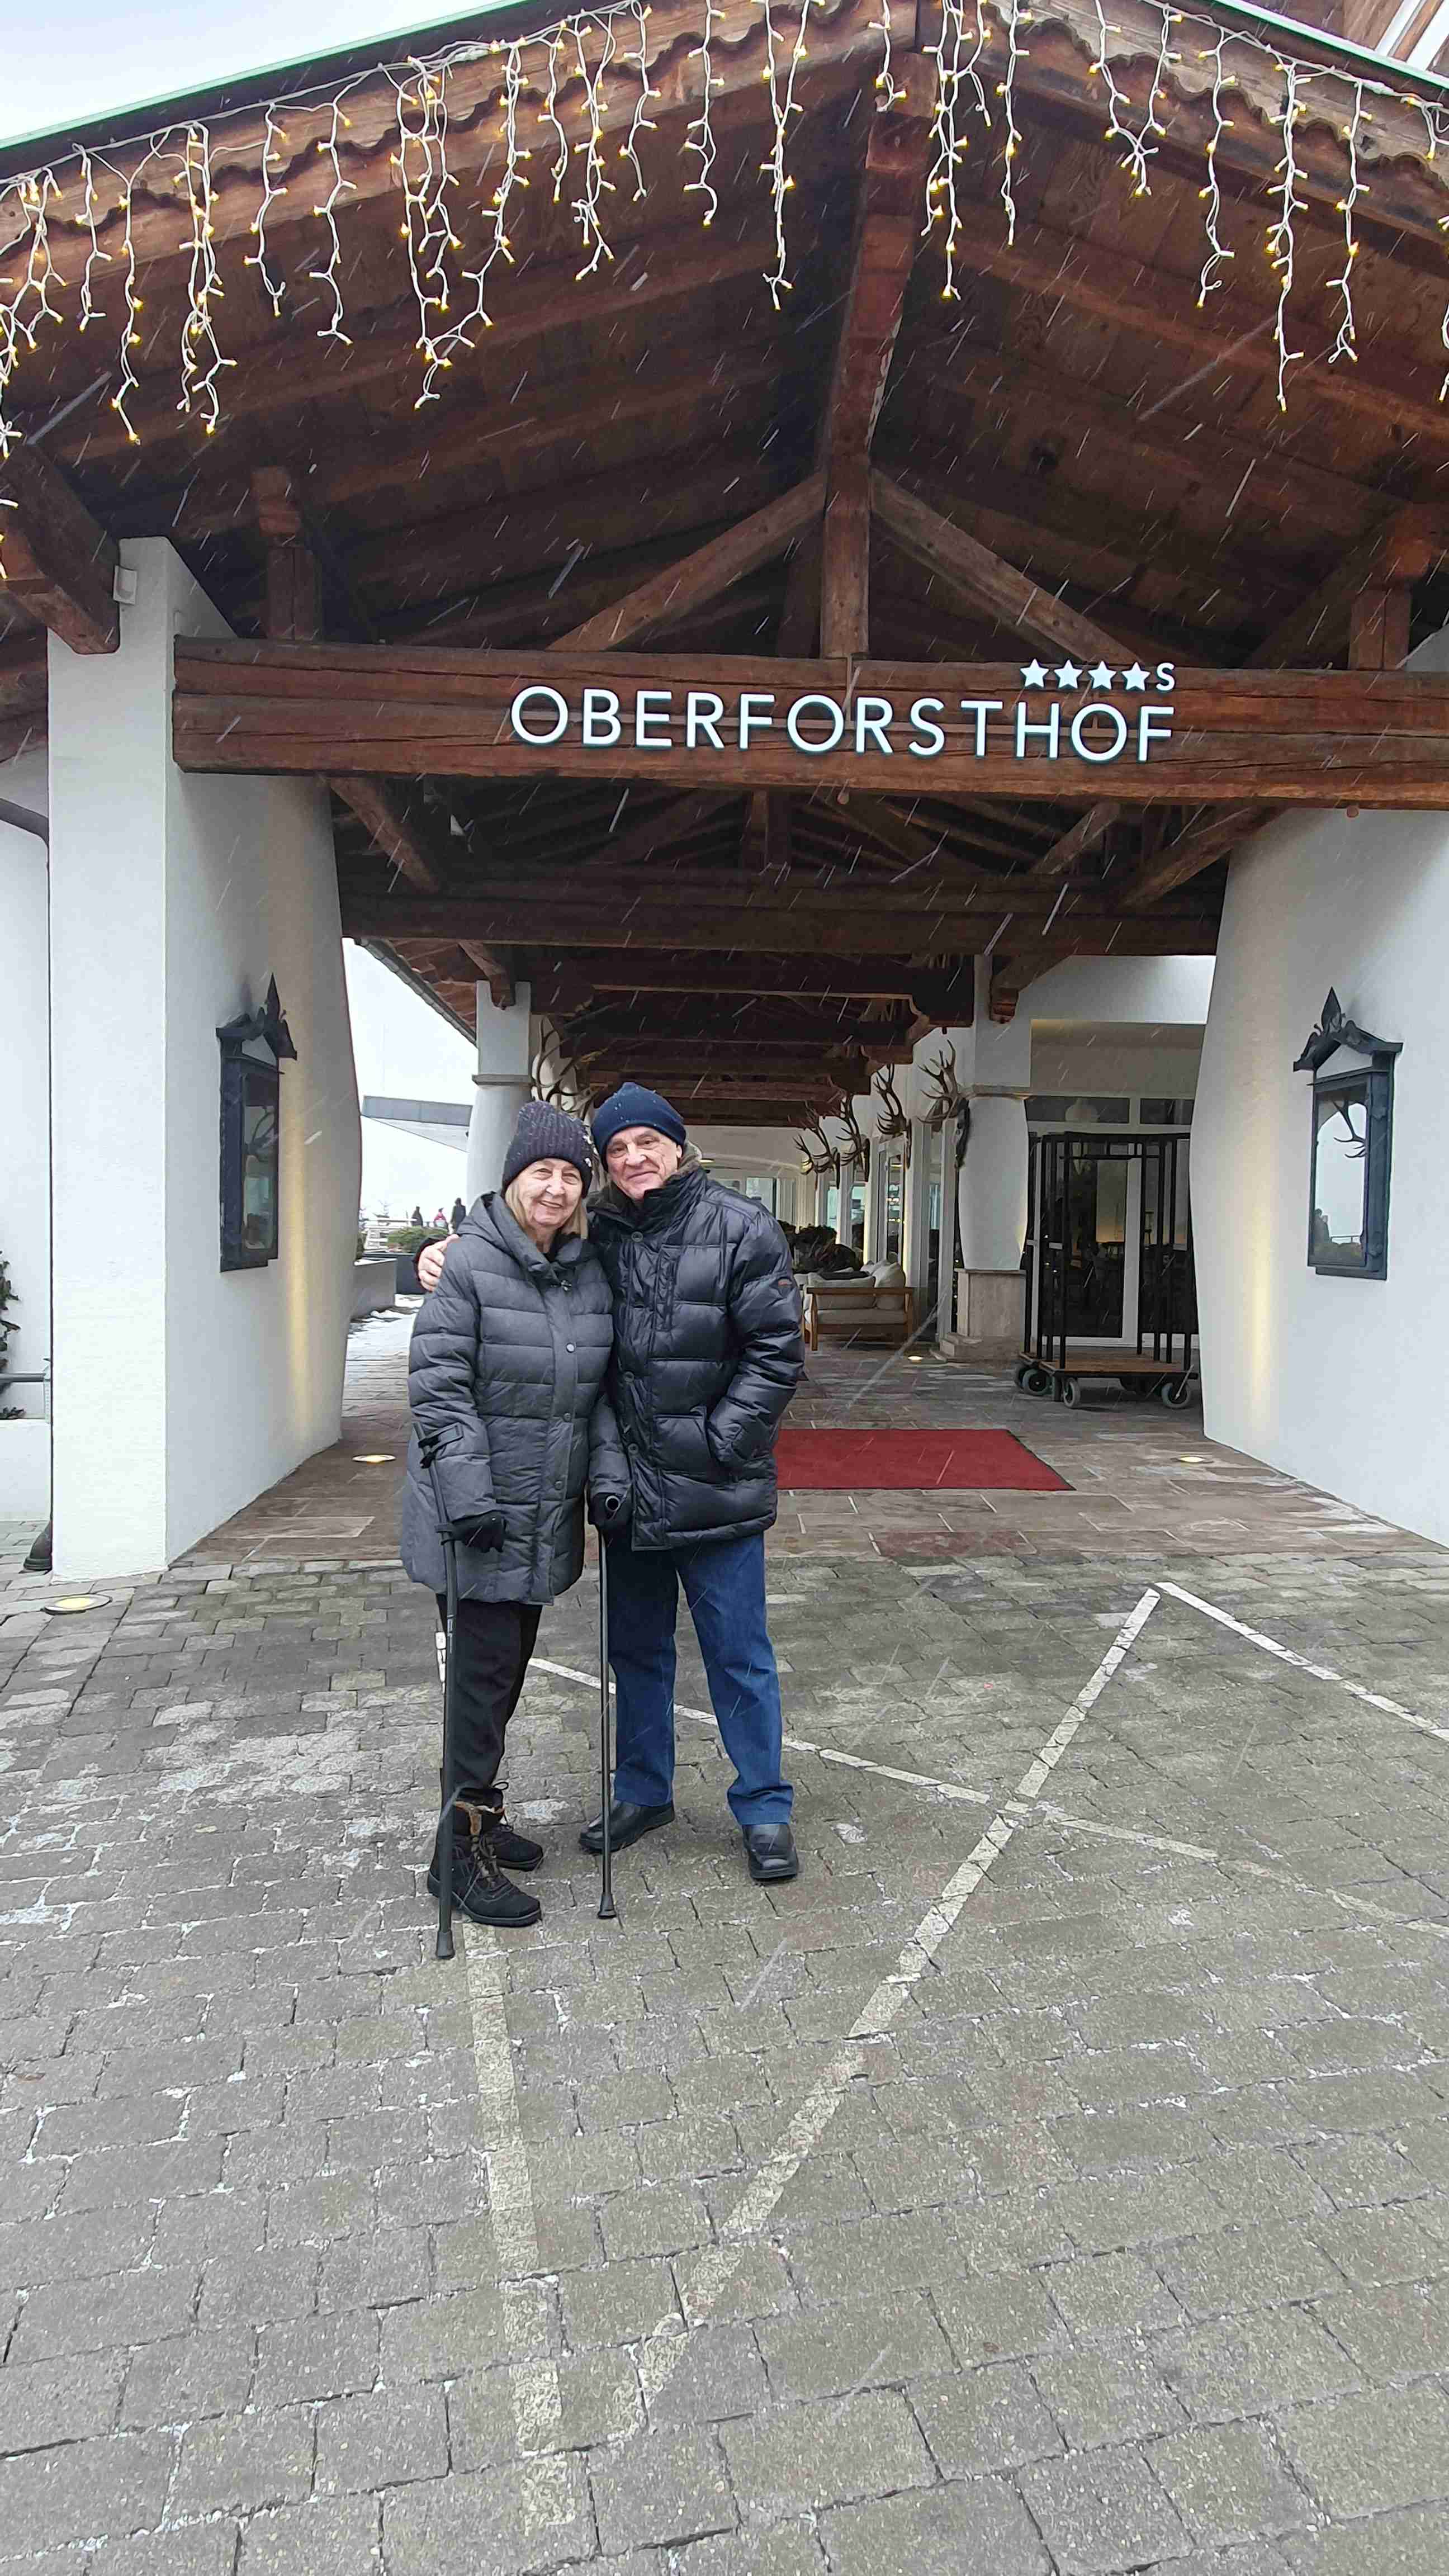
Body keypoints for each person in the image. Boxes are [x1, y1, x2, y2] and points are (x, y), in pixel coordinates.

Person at [419, 1085, 806, 1883]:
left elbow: (777, 1351)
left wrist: (721, 1442)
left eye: (647, 1143)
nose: (634, 1159)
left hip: (717, 1487)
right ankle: (643, 1791)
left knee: (739, 1656)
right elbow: (522, 1262)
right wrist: (446, 1252)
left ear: (678, 1146)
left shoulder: (741, 1226)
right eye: (618, 1148)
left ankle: (764, 1807)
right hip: (629, 1491)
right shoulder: (598, 1234)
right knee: (637, 1653)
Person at [402, 1103, 627, 1929]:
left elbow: (597, 1396)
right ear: (511, 1181)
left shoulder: (585, 1271)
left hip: (540, 1516)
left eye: (571, 1175)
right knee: (479, 1688)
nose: (557, 1188)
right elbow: (438, 1391)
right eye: (542, 1172)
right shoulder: (467, 1264)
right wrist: (470, 1499)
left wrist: (607, 1478)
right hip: (479, 1520)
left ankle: (481, 1816)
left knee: (502, 1680)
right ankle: (456, 1859)